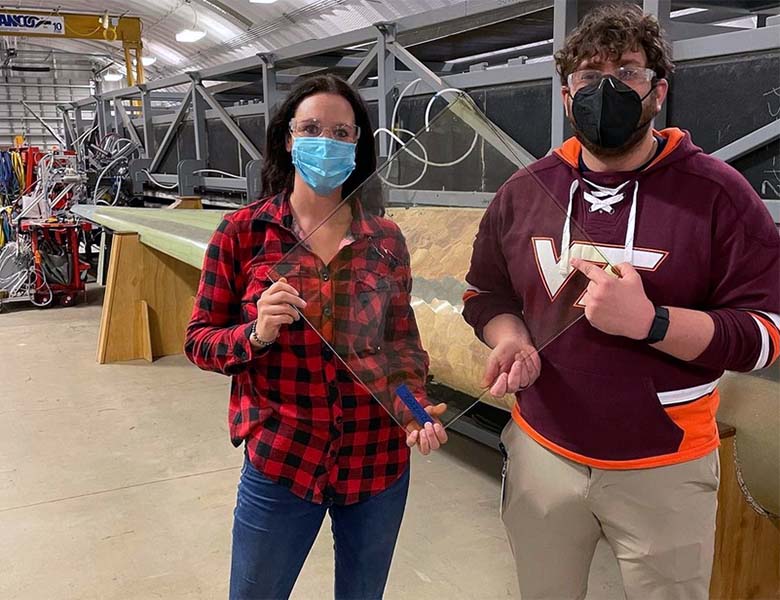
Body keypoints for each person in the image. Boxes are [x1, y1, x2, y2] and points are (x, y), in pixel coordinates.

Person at [462, 4, 780, 599]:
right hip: (541, 454)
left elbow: (764, 334)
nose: (604, 88)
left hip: (665, 465)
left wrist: (653, 322)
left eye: (627, 72)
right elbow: (486, 294)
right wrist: (511, 338)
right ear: (564, 95)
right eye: (587, 75)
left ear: (658, 91)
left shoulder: (720, 195)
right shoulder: (524, 191)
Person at [185, 74, 447, 600]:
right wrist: (256, 334)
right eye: (311, 128)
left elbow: (400, 348)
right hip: (284, 458)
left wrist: (414, 410)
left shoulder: (385, 239)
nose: (326, 141)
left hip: (375, 463)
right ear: (287, 137)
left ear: (357, 143)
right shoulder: (243, 233)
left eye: (341, 132)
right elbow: (199, 340)